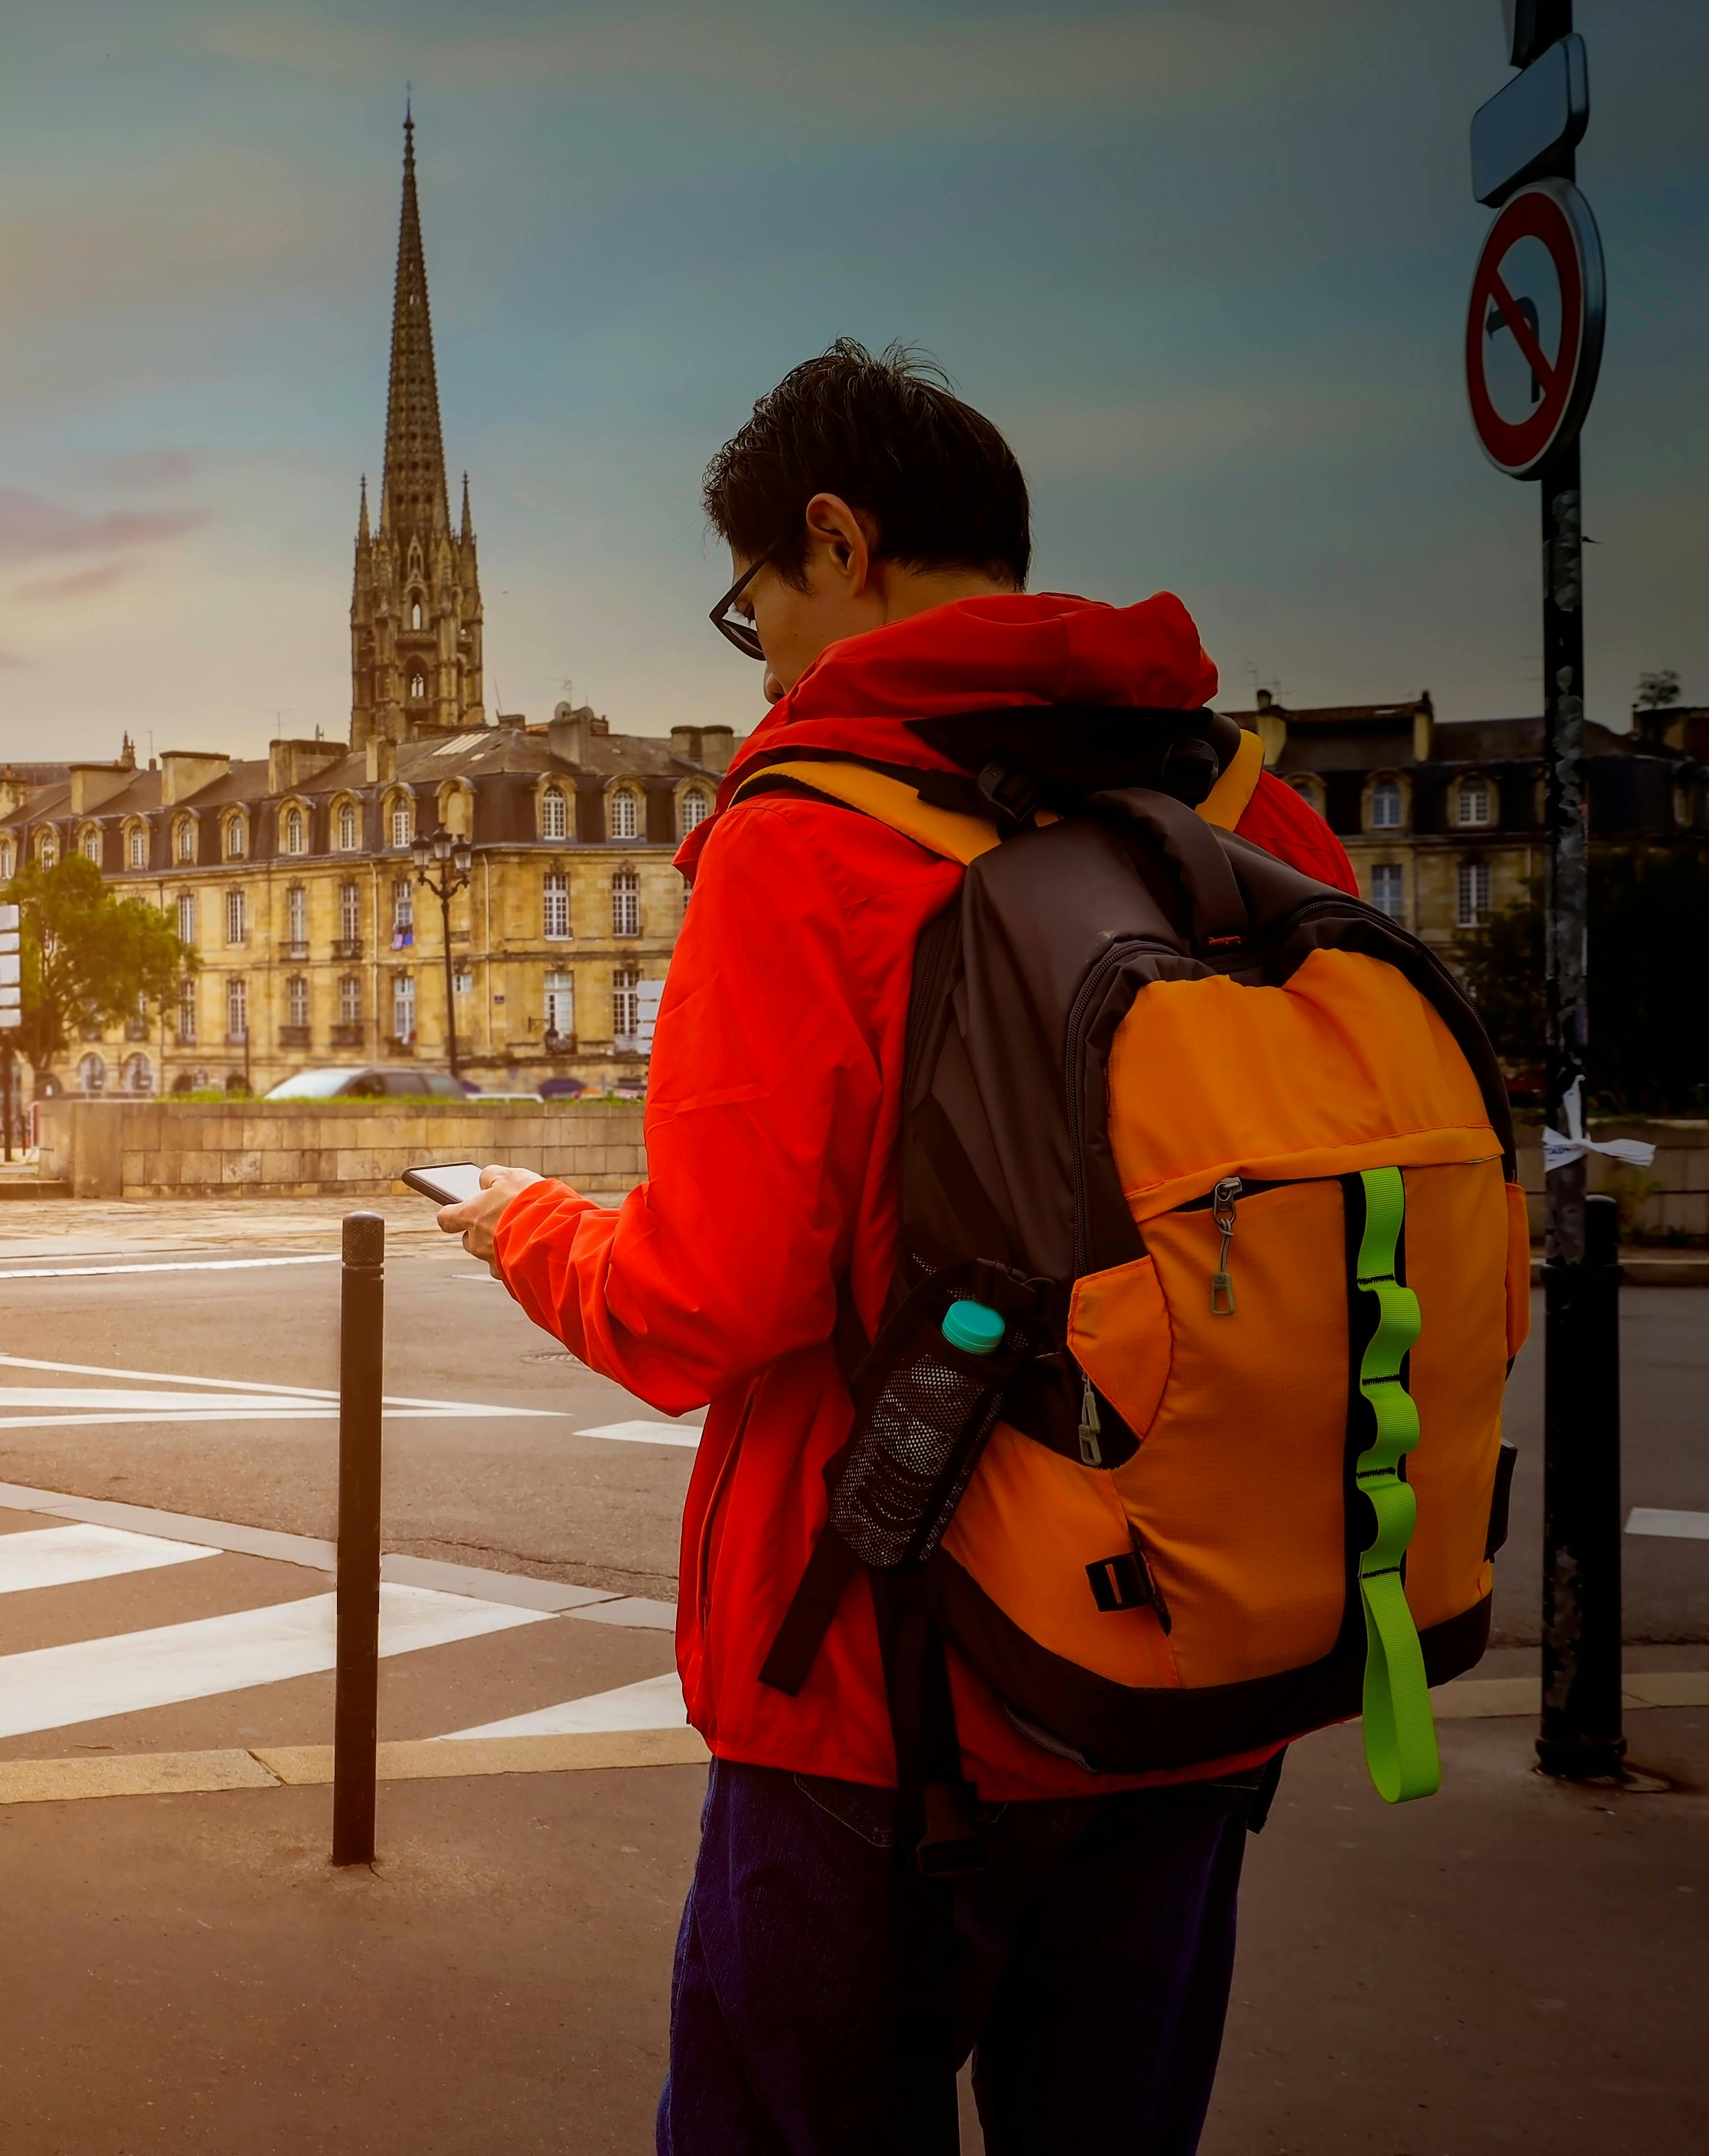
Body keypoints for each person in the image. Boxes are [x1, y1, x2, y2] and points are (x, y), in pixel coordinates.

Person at [432, 342, 1357, 2155]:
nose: (762, 648)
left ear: (836, 543)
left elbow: (701, 1300)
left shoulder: (806, 836)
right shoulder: (1250, 815)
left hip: (880, 1701)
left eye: (753, 597)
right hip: (1190, 1676)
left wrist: (519, 1226)